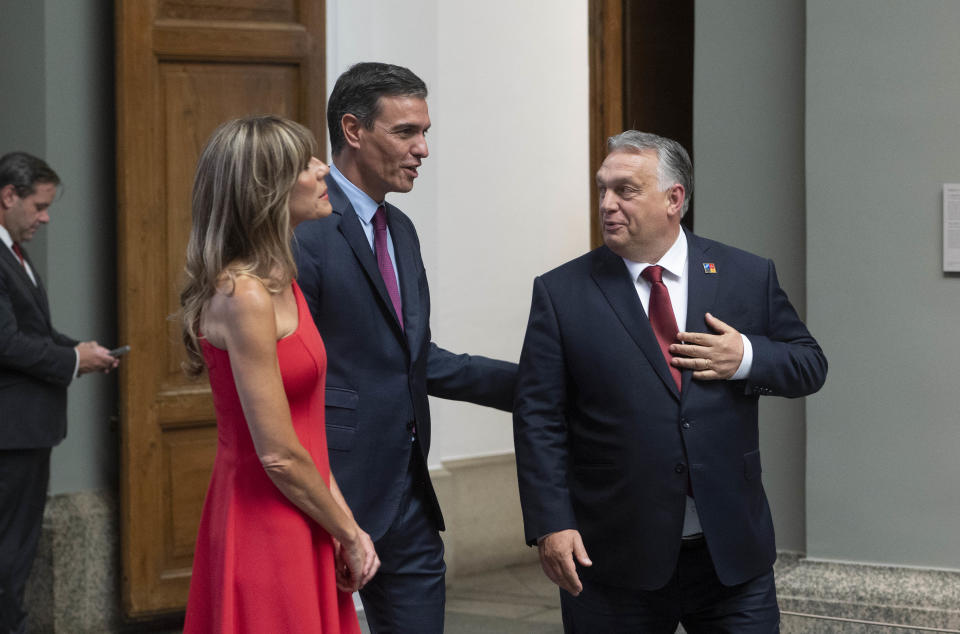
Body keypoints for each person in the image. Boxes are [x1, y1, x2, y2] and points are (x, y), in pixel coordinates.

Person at [513, 131, 828, 632]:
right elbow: (538, 418)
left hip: (731, 557)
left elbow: (809, 364)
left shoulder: (746, 274)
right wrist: (551, 522)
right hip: (613, 558)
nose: (608, 204)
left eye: (625, 190)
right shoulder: (561, 292)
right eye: (602, 190)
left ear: (674, 199)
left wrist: (744, 355)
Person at [294, 62, 517, 633]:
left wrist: (534, 384)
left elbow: (414, 361)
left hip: (411, 495)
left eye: (426, 133)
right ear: (352, 130)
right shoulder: (303, 228)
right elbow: (292, 375)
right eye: (405, 132)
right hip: (331, 493)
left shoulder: (402, 229)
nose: (422, 149)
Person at [180, 115, 379, 634]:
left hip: (304, 512)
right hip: (263, 525)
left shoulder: (281, 279)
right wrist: (351, 533)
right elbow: (278, 454)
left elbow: (306, 434)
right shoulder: (243, 295)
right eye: (306, 164)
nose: (323, 172)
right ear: (266, 190)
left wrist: (341, 524)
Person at [0, 151, 119, 634]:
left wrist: (79, 350)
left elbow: (32, 331)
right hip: (12, 432)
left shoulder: (14, 253)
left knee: (17, 544)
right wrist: (73, 361)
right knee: (11, 545)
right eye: (39, 205)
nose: (45, 217)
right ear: (8, 196)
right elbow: (5, 342)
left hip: (25, 429)